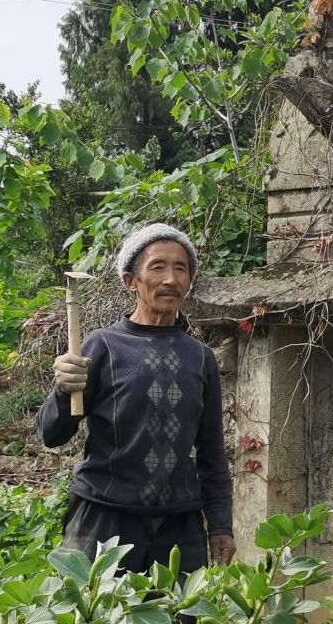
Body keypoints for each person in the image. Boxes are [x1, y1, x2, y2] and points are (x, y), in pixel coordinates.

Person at [39, 222, 235, 576]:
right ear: (131, 281)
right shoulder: (103, 347)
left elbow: (212, 453)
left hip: (179, 526)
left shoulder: (201, 358)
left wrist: (220, 525)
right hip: (104, 519)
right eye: (157, 267)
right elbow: (51, 434)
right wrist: (64, 390)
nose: (171, 279)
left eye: (181, 268)